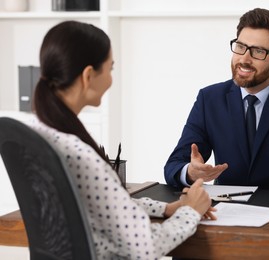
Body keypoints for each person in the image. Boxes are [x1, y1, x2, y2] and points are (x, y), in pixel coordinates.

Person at [30, 20, 215, 259]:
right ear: (89, 75)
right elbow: (146, 246)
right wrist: (190, 211)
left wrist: (169, 208)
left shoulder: (43, 134)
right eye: (111, 68)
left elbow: (107, 206)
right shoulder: (80, 155)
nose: (111, 78)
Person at [164, 8, 269, 196]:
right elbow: (174, 166)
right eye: (240, 47)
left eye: (258, 51)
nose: (244, 59)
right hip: (225, 211)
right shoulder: (209, 99)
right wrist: (190, 173)